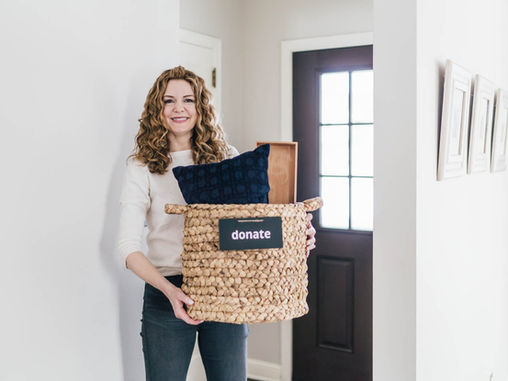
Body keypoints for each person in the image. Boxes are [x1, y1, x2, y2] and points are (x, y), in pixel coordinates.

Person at [117, 66, 316, 381]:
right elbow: (127, 248)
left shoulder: (225, 157)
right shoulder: (142, 167)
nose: (179, 108)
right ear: (158, 109)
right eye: (169, 101)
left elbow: (254, 224)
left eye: (188, 99)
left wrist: (295, 234)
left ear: (201, 107)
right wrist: (171, 292)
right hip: (167, 293)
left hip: (227, 289)